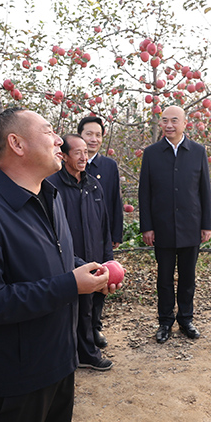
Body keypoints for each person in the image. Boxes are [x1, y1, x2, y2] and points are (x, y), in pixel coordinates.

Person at [0, 107, 120, 422]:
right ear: (17, 143)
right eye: (49, 132)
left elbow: (54, 259)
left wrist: (88, 273)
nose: (59, 140)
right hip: (16, 377)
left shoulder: (49, 195)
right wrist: (71, 285)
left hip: (60, 361)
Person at [139, 105, 211, 343]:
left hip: (191, 225)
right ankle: (165, 321)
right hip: (162, 227)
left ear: (184, 123)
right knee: (164, 278)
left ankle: (186, 319)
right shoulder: (151, 154)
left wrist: (206, 224)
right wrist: (147, 226)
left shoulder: (197, 151)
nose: (169, 125)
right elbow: (144, 193)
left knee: (188, 277)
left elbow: (204, 191)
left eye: (174, 120)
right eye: (164, 121)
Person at [47, 134, 114, 371]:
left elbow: (104, 225)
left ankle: (85, 349)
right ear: (64, 156)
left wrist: (108, 258)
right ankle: (84, 354)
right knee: (74, 309)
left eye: (86, 152)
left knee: (91, 306)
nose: (84, 157)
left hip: (94, 254)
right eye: (78, 152)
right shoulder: (52, 185)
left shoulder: (93, 184)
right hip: (68, 259)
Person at [78, 116, 124, 349]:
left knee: (102, 278)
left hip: (101, 233)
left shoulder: (108, 166)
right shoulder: (70, 163)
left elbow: (115, 202)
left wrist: (115, 234)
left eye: (98, 135)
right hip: (77, 231)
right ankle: (79, 330)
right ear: (80, 136)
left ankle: (95, 326)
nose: (93, 139)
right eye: (89, 134)